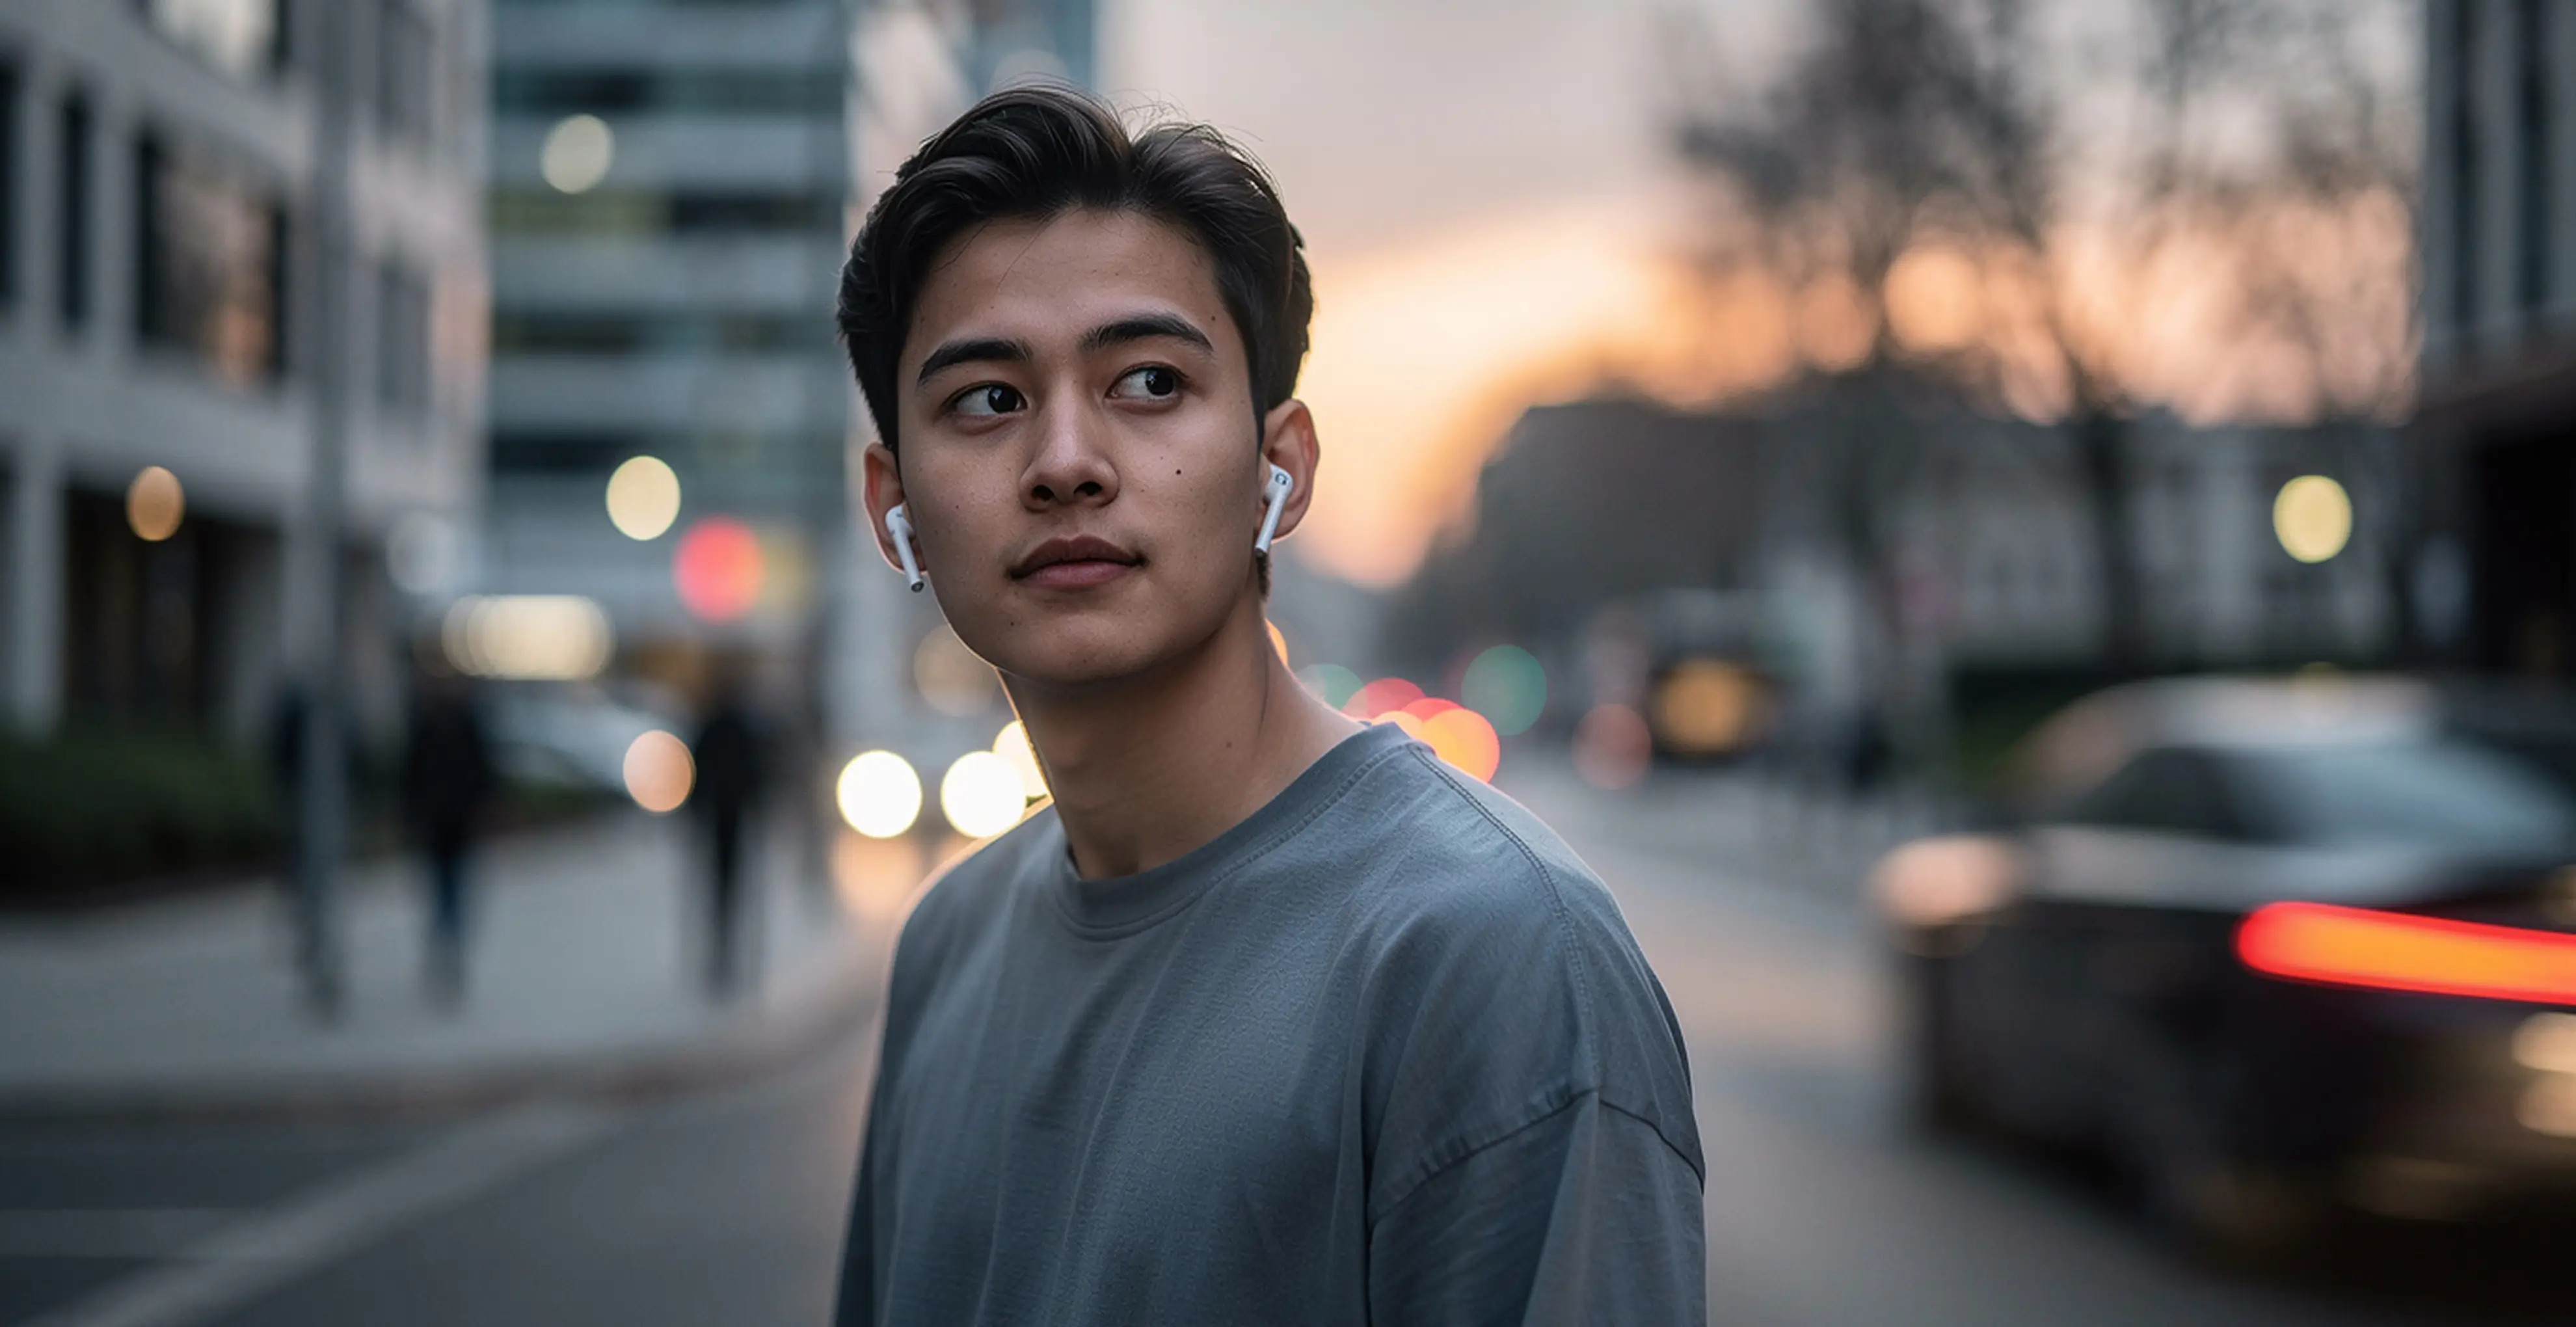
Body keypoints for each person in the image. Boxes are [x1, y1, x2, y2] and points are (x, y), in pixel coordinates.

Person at [829, 87, 1704, 1324]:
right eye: (987, 399)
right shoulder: (949, 945)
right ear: (892, 506)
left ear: (1278, 468)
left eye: (1146, 381)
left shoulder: (1492, 956)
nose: (1066, 460)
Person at [399, 666, 494, 1008]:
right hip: (438, 825)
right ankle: (446, 943)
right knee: (443, 889)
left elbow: (482, 773)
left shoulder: (464, 723)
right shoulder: (430, 724)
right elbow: (411, 775)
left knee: (453, 889)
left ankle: (449, 944)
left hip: (457, 825)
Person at [689, 664, 765, 997]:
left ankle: (723, 957)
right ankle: (725, 957)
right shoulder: (738, 725)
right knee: (730, 887)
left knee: (720, 888)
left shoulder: (715, 725)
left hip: (720, 815)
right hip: (731, 815)